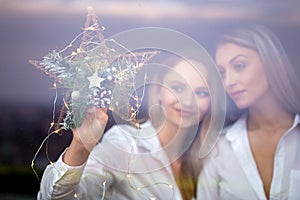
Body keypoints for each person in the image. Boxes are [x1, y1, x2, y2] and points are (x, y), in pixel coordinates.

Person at [37, 51, 221, 200]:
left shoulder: (214, 156)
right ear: (158, 91)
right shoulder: (125, 144)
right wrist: (80, 146)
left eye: (202, 93)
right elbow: (57, 197)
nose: (188, 101)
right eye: (178, 88)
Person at [197, 24, 300, 200]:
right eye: (222, 73)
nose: (228, 82)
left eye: (239, 66)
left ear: (270, 62)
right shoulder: (218, 148)